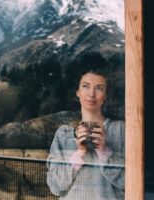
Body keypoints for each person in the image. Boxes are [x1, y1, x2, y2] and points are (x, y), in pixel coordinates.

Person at [47, 54, 125, 200]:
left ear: (105, 95)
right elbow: (54, 187)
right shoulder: (64, 133)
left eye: (99, 88)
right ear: (77, 92)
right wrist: (79, 153)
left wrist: (104, 151)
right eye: (86, 86)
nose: (91, 94)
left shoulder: (121, 130)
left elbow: (131, 183)